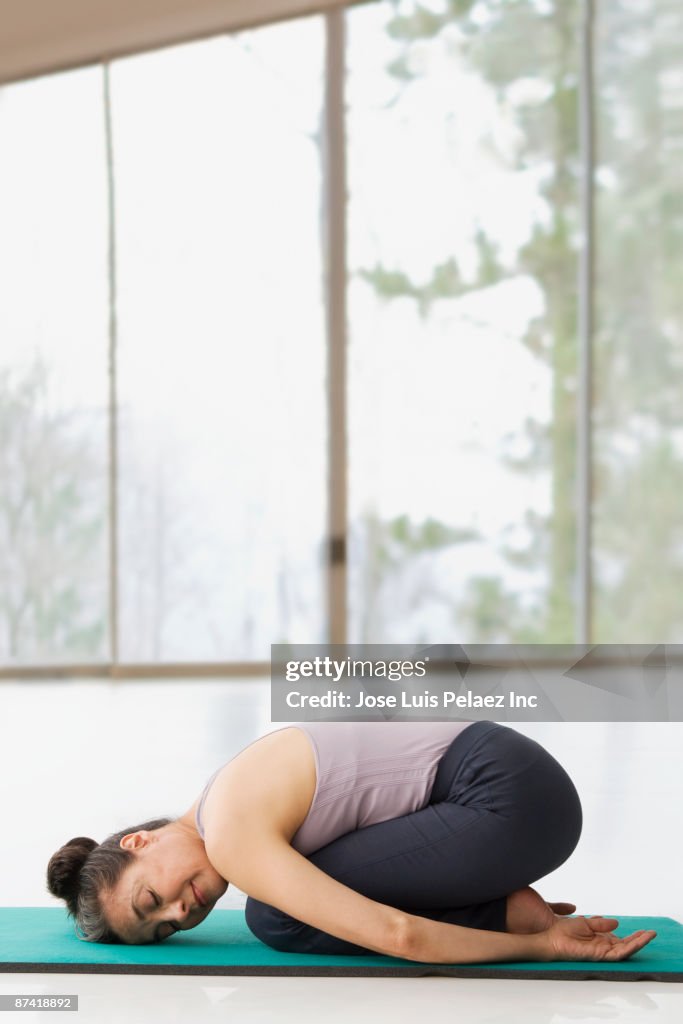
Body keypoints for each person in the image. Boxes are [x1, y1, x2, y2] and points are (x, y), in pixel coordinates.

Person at [46, 720, 656, 964]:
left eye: (152, 899)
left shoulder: (229, 832)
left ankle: (509, 918)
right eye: (168, 928)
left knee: (277, 918)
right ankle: (503, 906)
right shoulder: (221, 796)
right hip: (516, 785)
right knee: (285, 903)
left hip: (505, 797)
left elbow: (400, 934)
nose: (182, 912)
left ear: (139, 842)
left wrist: (543, 949)